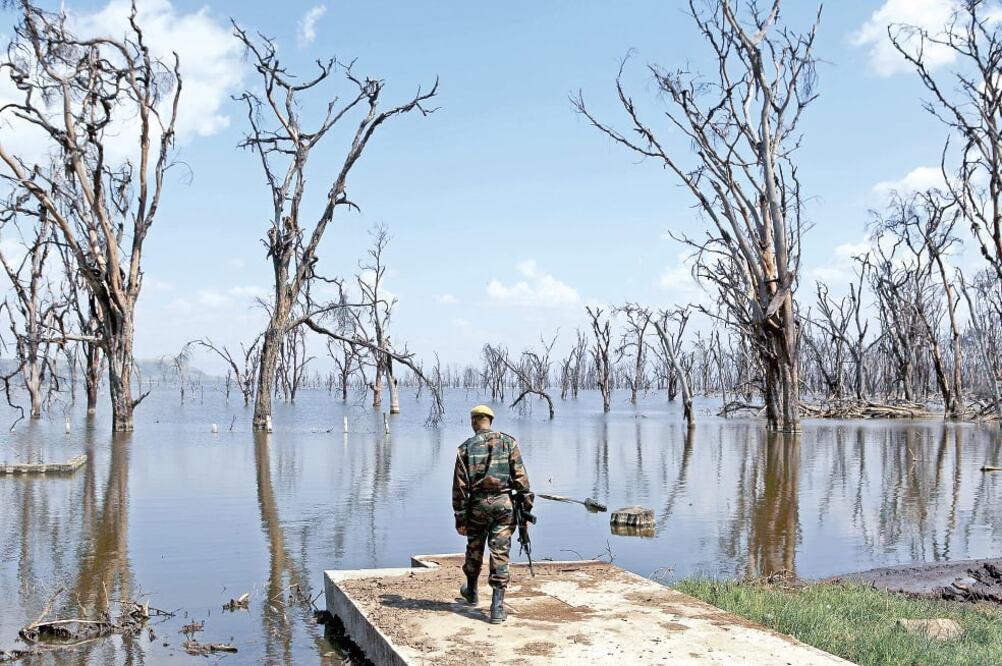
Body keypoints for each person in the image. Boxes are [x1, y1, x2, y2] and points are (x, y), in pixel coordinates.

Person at [452, 404, 532, 624]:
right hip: (504, 505)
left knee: (474, 547)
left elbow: (460, 488)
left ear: (474, 421)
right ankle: (496, 608)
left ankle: (472, 592)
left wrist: (460, 517)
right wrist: (525, 510)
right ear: (490, 420)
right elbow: (522, 482)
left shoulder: (465, 448)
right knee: (500, 552)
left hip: (477, 506)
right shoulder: (509, 443)